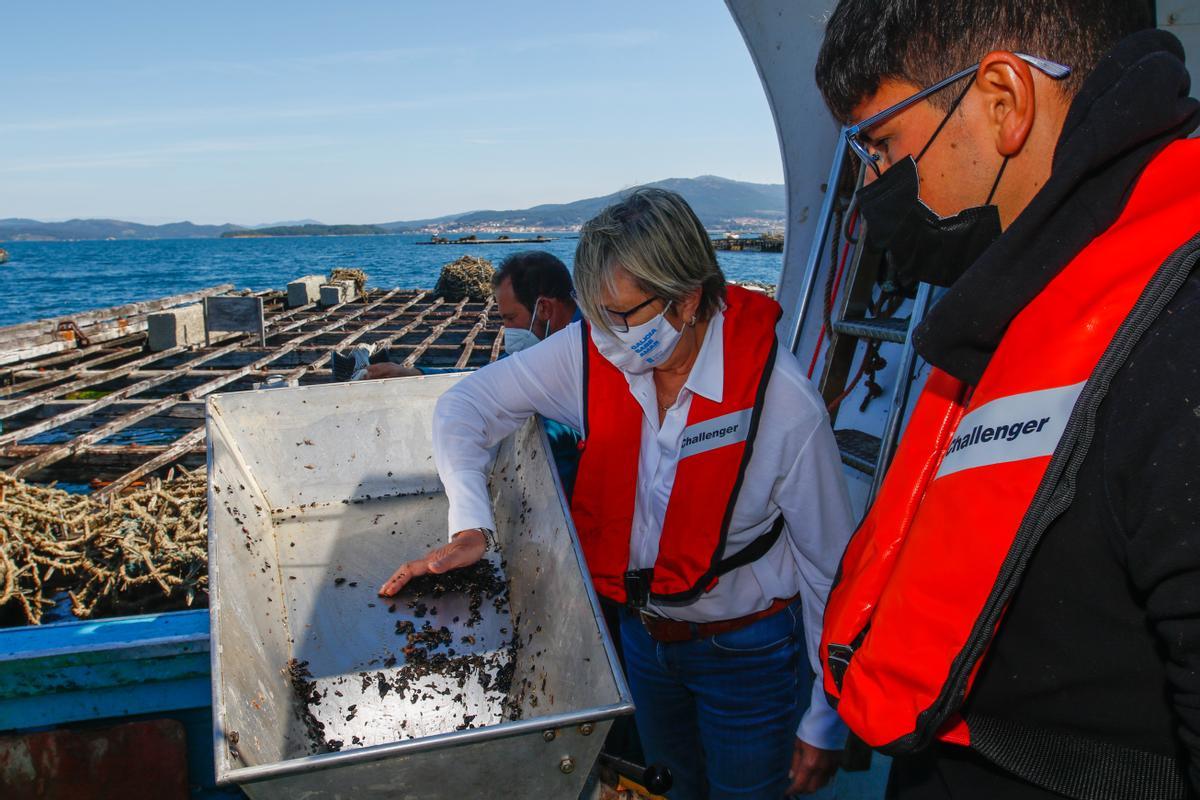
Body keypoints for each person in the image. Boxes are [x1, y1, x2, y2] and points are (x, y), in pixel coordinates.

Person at [812, 2, 1200, 798]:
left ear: (1003, 100)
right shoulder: (1037, 285)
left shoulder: (1178, 337)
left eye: (881, 143)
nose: (872, 184)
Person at [379, 188, 855, 798]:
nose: (607, 336)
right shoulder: (601, 349)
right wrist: (471, 525)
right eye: (596, 314)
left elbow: (829, 569)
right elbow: (465, 407)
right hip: (643, 641)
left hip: (748, 653)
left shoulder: (783, 402)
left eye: (623, 315)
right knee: (670, 790)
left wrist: (826, 720)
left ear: (687, 299)